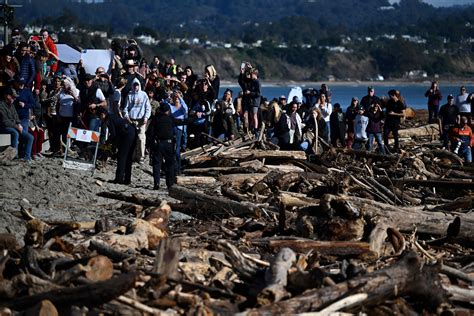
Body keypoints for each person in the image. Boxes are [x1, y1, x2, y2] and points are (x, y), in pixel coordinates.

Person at [0, 87, 34, 162]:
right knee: (15, 133)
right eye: (13, 97)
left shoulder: (11, 105)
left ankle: (27, 157)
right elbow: (4, 121)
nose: (15, 99)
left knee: (30, 137)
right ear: (8, 96)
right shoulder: (1, 105)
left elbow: (16, 116)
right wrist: (16, 126)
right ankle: (14, 156)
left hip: (14, 126)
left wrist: (19, 124)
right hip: (3, 127)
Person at [148, 102, 176, 190]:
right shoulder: (170, 119)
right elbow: (183, 121)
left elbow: (150, 133)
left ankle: (156, 183)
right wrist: (195, 117)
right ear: (168, 111)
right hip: (168, 144)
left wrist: (149, 145)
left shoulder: (155, 119)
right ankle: (170, 184)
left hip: (158, 143)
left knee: (157, 164)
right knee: (170, 164)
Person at [123, 78, 151, 163]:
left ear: (139, 85)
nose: (136, 86)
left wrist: (146, 117)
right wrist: (126, 116)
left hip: (141, 120)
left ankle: (141, 156)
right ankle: (132, 155)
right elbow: (125, 108)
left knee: (141, 138)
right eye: (134, 85)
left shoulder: (144, 95)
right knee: (131, 138)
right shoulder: (129, 95)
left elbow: (148, 108)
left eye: (137, 85)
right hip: (131, 120)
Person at [108, 102, 136, 185]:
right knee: (128, 158)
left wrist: (113, 145)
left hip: (126, 134)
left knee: (122, 157)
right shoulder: (115, 117)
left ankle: (119, 179)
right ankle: (127, 179)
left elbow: (113, 134)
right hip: (132, 132)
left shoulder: (110, 119)